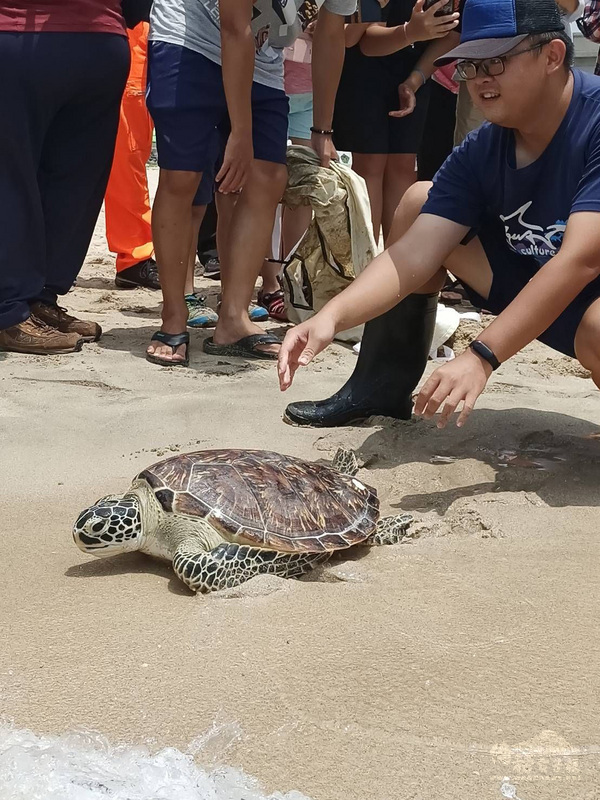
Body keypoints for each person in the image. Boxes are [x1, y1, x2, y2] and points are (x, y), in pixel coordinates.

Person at [279, 0, 600, 430]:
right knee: (418, 203)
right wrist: (329, 317)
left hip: (586, 304)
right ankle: (380, 385)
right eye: (470, 65)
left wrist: (482, 356)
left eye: (497, 61)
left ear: (553, 56)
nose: (481, 80)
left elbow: (582, 259)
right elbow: (413, 254)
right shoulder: (485, 146)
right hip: (539, 293)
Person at [145, 0, 356, 367]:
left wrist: (322, 129)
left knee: (269, 175)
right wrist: (240, 132)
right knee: (183, 174)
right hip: (190, 38)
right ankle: (173, 316)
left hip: (261, 54)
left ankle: (233, 319)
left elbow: (331, 33)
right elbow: (233, 26)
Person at [0, 1, 130, 355]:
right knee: (11, 178)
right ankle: (8, 309)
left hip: (101, 34)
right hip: (15, 30)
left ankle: (40, 299)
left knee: (77, 183)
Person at [332, 0, 460, 242]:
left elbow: (452, 34)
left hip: (415, 72)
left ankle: (398, 266)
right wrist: (411, 32)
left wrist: (415, 80)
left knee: (403, 165)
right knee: (369, 165)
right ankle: (363, 265)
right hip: (363, 73)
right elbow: (364, 41)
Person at [105, 21, 160, 291]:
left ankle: (134, 256)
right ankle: (133, 256)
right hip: (131, 44)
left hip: (140, 45)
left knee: (130, 160)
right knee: (128, 161)